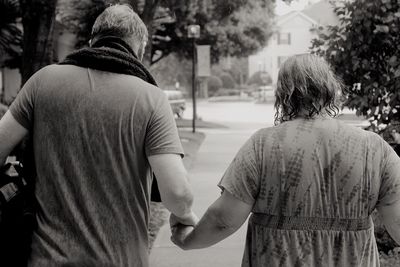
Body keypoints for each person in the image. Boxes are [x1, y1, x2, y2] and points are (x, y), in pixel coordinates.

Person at [0, 4, 197, 267]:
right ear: (139, 49)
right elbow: (178, 192)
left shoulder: (42, 81)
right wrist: (184, 215)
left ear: (93, 41)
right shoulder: (151, 98)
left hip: (45, 259)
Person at [171, 54, 400, 266]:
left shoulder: (262, 145)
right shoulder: (374, 147)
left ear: (282, 93)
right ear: (331, 89)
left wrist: (186, 240)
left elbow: (224, 220)